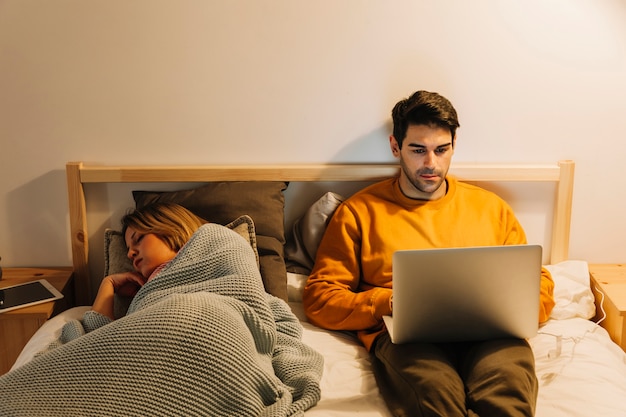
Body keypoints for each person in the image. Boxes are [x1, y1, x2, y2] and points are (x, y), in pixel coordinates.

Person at [302, 90, 555, 417]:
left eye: (442, 150)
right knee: (433, 395)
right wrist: (388, 302)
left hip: (491, 332)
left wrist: (507, 308)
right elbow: (319, 297)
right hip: (407, 337)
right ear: (396, 147)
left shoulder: (491, 208)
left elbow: (540, 285)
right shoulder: (359, 212)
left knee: (509, 390)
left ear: (453, 146)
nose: (431, 164)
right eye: (418, 150)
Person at [91, 202, 205, 320]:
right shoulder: (148, 293)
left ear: (173, 229)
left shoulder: (218, 247)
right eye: (128, 249)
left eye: (138, 238)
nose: (130, 254)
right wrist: (108, 283)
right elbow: (104, 334)